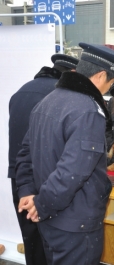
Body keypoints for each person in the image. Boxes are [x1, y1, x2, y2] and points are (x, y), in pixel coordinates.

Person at [15, 43, 114, 265]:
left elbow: (24, 155)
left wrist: (29, 193)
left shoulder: (47, 101)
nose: (110, 88)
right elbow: (73, 172)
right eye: (111, 82)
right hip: (75, 223)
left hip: (51, 220)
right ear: (99, 76)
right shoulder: (88, 110)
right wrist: (41, 205)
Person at [8, 53, 79, 265]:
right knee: (52, 246)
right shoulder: (60, 95)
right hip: (46, 179)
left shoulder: (21, 91)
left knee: (31, 241)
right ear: (73, 73)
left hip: (19, 177)